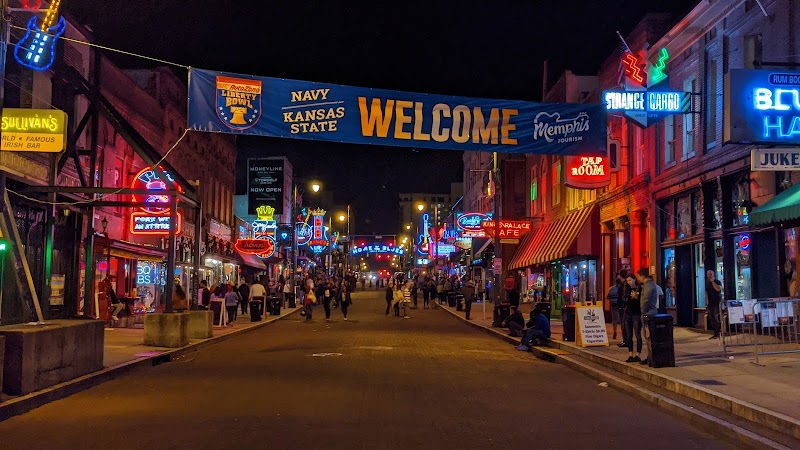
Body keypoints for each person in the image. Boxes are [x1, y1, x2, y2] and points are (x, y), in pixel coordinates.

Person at [637, 268, 659, 366]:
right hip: (648, 312)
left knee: (649, 336)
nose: (638, 278)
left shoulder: (649, 285)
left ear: (643, 276)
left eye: (639, 276)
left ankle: (651, 357)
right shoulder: (647, 285)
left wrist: (643, 310)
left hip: (649, 313)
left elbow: (646, 299)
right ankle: (650, 357)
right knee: (648, 336)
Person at [624, 275, 643, 363]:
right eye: (627, 280)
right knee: (629, 335)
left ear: (634, 279)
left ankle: (638, 354)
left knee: (638, 334)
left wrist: (635, 297)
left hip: (636, 314)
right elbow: (625, 299)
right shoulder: (626, 289)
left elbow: (640, 300)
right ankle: (630, 354)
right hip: (628, 313)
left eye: (630, 280)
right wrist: (631, 297)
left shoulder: (640, 288)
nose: (629, 282)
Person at [705, 270, 723, 339]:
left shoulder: (717, 282)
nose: (709, 276)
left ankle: (718, 332)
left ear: (713, 274)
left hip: (717, 302)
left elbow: (718, 289)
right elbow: (706, 293)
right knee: (711, 318)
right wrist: (707, 303)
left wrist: (713, 282)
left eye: (710, 274)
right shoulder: (707, 283)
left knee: (716, 317)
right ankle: (715, 333)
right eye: (708, 274)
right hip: (710, 303)